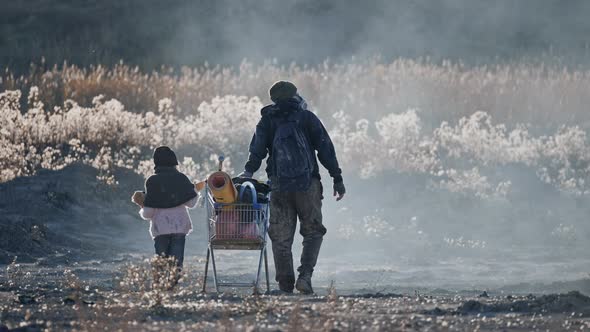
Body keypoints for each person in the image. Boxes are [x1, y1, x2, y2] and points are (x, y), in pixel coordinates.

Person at [239, 81, 346, 294]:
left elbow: (257, 151)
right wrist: (337, 177)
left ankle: (285, 284)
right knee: (313, 232)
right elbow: (325, 148)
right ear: (295, 95)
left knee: (280, 236)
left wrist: (248, 173)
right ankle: (305, 277)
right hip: (308, 185)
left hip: (279, 186)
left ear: (274, 99)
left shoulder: (267, 120)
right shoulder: (307, 118)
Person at [131, 146, 199, 281]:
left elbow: (148, 213)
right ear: (174, 161)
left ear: (155, 162)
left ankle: (160, 286)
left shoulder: (152, 181)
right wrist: (194, 190)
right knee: (176, 261)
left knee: (161, 260)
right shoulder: (181, 178)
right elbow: (191, 203)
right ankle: (172, 286)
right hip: (180, 227)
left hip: (160, 229)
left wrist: (142, 204)